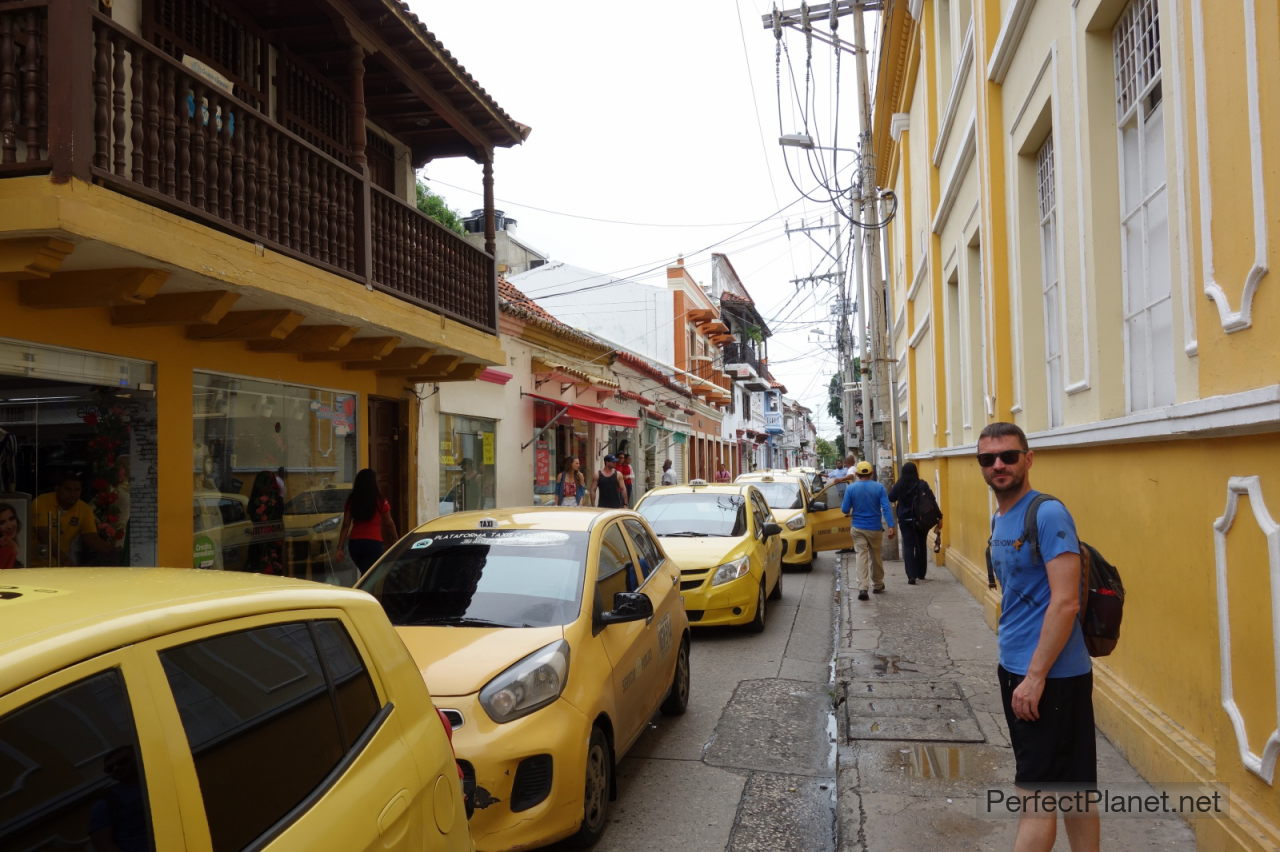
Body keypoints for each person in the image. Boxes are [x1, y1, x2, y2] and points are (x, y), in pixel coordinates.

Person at [979, 421, 1097, 851]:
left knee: (1036, 796)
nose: (998, 465)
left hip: (1048, 678)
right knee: (1075, 790)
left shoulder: (1046, 513)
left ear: (1028, 459)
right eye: (988, 459)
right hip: (1022, 670)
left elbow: (1066, 602)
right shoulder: (1003, 516)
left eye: (1008, 456)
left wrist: (1035, 677)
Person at [840, 460, 896, 601]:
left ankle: (863, 587)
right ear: (871, 473)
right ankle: (877, 584)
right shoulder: (879, 488)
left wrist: (853, 509)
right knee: (876, 556)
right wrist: (891, 526)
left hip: (858, 528)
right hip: (875, 528)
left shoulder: (851, 489)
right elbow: (886, 507)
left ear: (857, 474)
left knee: (861, 556)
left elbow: (844, 509)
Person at [30, 473, 113, 567]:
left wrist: (112, 550)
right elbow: (43, 535)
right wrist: (64, 559)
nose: (73, 494)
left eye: (77, 490)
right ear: (57, 489)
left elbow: (91, 538)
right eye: (68, 489)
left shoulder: (84, 509)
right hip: (33, 563)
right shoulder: (41, 502)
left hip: (58, 565)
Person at [888, 461, 942, 585]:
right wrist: (939, 516)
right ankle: (921, 573)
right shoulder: (922, 484)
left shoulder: (900, 484)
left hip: (905, 521)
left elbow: (891, 497)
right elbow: (932, 501)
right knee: (921, 546)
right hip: (921, 521)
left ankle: (911, 576)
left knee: (908, 547)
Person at [337, 468, 398, 573]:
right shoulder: (380, 500)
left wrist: (340, 547)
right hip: (373, 544)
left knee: (365, 573)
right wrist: (396, 540)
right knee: (369, 576)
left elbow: (346, 524)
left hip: (355, 544)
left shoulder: (352, 500)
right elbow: (389, 523)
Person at [246, 470, 285, 574]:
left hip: (259, 538)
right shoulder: (277, 500)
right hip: (274, 539)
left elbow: (251, 514)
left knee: (259, 567)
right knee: (274, 567)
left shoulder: (255, 500)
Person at [0, 502, 22, 569]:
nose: (9, 526)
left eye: (11, 519)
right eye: (2, 523)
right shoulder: (7, 550)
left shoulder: (12, 546)